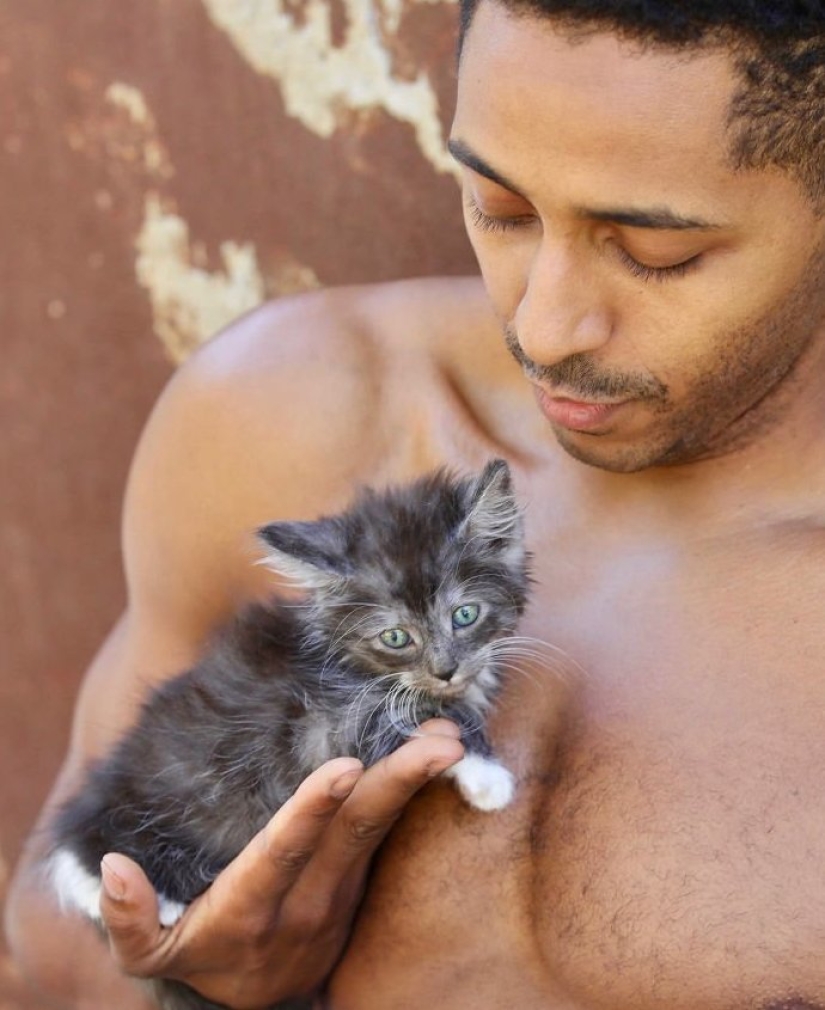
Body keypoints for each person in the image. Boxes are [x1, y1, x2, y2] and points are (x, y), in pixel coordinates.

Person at [7, 0, 825, 1007]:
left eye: (654, 253)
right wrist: (211, 983)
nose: (546, 324)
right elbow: (53, 958)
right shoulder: (294, 414)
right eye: (499, 206)